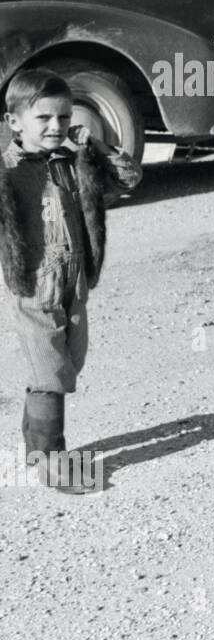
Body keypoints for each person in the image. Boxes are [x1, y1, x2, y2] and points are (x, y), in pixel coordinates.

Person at [0, 68, 142, 492]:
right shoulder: (6, 173)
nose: (55, 126)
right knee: (52, 371)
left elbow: (129, 178)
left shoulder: (74, 161)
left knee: (70, 361)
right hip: (35, 286)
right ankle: (52, 460)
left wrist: (94, 145)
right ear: (14, 122)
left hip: (75, 281)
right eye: (43, 118)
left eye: (63, 117)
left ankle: (34, 445)